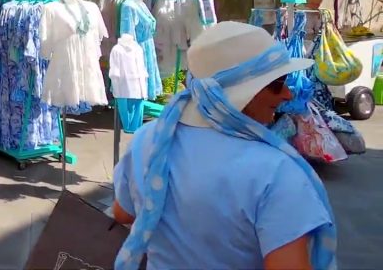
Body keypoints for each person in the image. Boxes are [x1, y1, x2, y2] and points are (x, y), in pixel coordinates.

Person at [112, 21, 336, 270]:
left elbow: (124, 213)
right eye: (277, 83)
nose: (287, 94)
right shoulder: (276, 172)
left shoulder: (150, 138)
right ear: (242, 91)